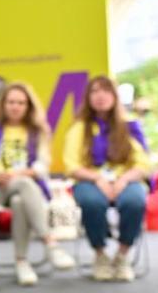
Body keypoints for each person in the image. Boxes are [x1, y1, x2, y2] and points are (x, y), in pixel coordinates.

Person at [0, 83, 75, 285]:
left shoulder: (38, 133)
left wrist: (18, 174)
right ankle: (50, 243)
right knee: (23, 184)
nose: (15, 107)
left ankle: (21, 262)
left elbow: (42, 167)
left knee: (19, 201)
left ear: (28, 106)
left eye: (21, 103)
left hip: (28, 189)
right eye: (11, 102)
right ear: (3, 105)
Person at [64, 75, 151, 282]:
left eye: (106, 90)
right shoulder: (79, 128)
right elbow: (71, 165)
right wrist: (97, 179)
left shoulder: (129, 126)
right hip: (89, 179)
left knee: (134, 201)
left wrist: (124, 179)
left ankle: (122, 255)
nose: (100, 96)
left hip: (125, 178)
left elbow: (143, 164)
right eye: (95, 91)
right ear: (88, 97)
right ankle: (100, 255)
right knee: (91, 202)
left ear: (115, 95)